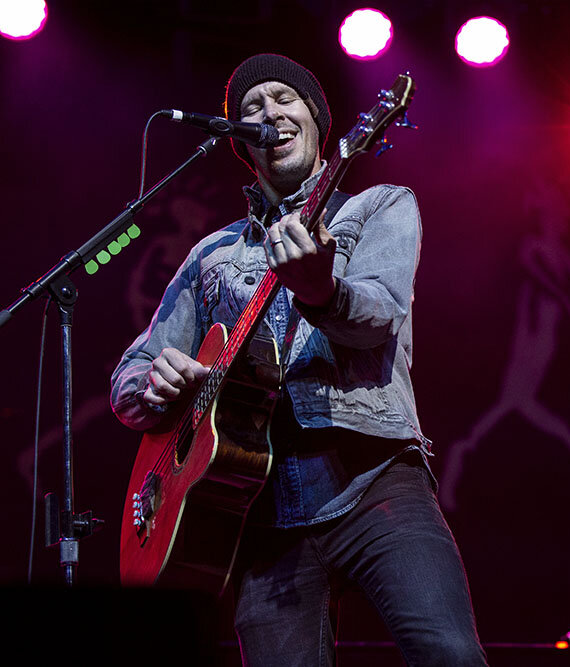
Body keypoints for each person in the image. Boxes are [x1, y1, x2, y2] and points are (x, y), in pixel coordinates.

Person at [111, 53, 487, 666]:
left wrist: (323, 291)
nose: (270, 114)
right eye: (252, 108)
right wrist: (155, 384)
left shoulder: (378, 207)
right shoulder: (213, 255)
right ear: (241, 141)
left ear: (318, 120)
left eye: (285, 99)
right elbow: (131, 374)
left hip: (373, 481)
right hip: (257, 514)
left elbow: (379, 315)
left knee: (449, 655)